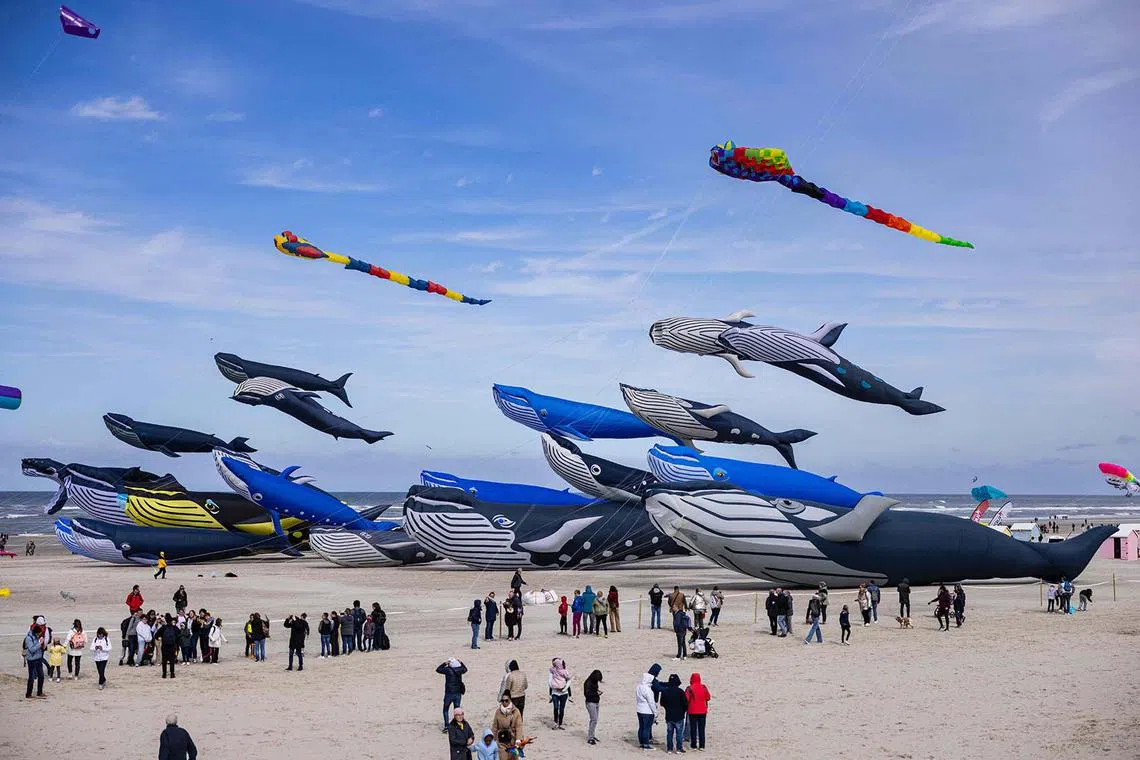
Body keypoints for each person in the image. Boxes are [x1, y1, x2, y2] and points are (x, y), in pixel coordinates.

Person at [437, 657, 468, 731]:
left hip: (449, 693)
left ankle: (447, 726)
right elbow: (465, 669)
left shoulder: (448, 670)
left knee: (445, 710)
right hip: (457, 693)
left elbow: (438, 669)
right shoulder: (460, 670)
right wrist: (461, 662)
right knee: (457, 710)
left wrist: (445, 663)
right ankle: (457, 725)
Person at [660, 673, 688, 753]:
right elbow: (685, 704)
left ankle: (669, 749)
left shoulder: (665, 691)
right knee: (679, 734)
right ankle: (679, 748)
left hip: (669, 715)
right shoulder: (680, 692)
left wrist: (667, 708)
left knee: (669, 733)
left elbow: (662, 703)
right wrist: (683, 711)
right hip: (679, 716)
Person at [685, 673, 711, 751]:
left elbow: (686, 698)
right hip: (703, 710)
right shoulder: (703, 687)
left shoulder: (689, 688)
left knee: (693, 728)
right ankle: (702, 745)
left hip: (692, 710)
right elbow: (708, 697)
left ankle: (694, 745)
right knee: (702, 728)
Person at [635, 668, 659, 750]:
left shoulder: (639, 686)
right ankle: (646, 744)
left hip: (639, 709)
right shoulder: (648, 690)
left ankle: (641, 743)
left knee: (641, 727)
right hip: (647, 711)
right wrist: (655, 713)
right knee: (646, 728)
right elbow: (651, 702)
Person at [24, 622, 46, 699]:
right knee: (31, 677)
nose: (40, 634)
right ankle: (28, 694)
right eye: (39, 633)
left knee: (41, 676)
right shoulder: (28, 638)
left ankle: (39, 692)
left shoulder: (37, 637)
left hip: (38, 658)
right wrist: (40, 643)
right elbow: (32, 649)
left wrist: (43, 644)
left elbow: (40, 648)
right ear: (36, 632)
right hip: (31, 660)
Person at [549, 657, 571, 729]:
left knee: (561, 709)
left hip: (564, 693)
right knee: (555, 708)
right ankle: (555, 722)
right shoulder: (552, 671)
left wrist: (564, 689)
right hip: (555, 692)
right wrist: (553, 688)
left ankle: (560, 723)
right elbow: (549, 682)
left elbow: (569, 681)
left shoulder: (565, 672)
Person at [583, 669, 603, 745]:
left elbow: (593, 690)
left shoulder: (594, 682)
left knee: (595, 720)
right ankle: (590, 737)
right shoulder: (587, 682)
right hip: (590, 703)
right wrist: (596, 694)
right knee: (593, 720)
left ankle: (592, 735)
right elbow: (587, 694)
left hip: (596, 702)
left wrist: (597, 691)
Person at [156, 614, 179, 679]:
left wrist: (160, 638)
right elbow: (179, 634)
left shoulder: (163, 627)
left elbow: (156, 635)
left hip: (165, 646)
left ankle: (164, 674)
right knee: (172, 660)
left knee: (164, 660)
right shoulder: (174, 628)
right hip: (172, 646)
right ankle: (172, 674)